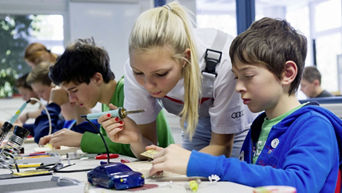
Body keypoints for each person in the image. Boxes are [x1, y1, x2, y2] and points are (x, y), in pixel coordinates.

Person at [148, 17, 342, 193]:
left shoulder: (314, 126)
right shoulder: (259, 126)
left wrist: (204, 163)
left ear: (287, 73)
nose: (238, 87)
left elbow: (297, 184)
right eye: (236, 77)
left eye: (248, 76)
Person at [98, 1, 255, 159]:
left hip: (236, 130)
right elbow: (146, 152)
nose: (148, 85)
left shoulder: (224, 64)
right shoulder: (136, 68)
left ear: (184, 59)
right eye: (139, 73)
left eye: (161, 74)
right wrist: (136, 139)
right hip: (194, 123)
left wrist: (174, 160)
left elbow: (222, 148)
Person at [40, 38, 174, 156]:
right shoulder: (106, 102)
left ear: (97, 78)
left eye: (74, 90)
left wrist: (80, 140)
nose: (72, 99)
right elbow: (115, 144)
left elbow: (132, 146)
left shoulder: (130, 92)